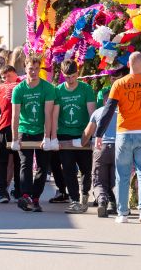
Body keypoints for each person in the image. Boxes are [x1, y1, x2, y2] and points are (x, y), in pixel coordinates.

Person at [96, 52, 141, 225]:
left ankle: (123, 214)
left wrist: (99, 134)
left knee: (123, 174)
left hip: (124, 134)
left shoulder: (119, 83)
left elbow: (109, 110)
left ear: (128, 64)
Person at [10, 54, 57, 212]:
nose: (34, 72)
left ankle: (35, 197)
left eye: (37, 69)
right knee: (26, 164)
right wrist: (15, 138)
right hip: (25, 130)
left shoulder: (47, 88)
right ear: (25, 68)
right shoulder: (19, 89)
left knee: (43, 166)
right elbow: (15, 115)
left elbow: (48, 114)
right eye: (31, 69)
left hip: (42, 130)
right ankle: (25, 195)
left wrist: (47, 137)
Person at [82, 67, 128, 217]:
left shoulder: (98, 112)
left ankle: (102, 200)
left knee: (99, 179)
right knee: (115, 179)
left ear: (104, 100)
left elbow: (88, 133)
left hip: (101, 148)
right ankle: (113, 204)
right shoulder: (123, 111)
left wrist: (82, 143)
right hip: (119, 149)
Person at [54, 60, 96, 214]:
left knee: (86, 168)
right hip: (64, 134)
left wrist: (90, 137)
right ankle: (74, 200)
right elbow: (54, 115)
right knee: (68, 168)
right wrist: (53, 137)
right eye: (66, 77)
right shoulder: (58, 91)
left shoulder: (86, 89)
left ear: (77, 74)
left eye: (72, 76)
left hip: (83, 132)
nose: (70, 80)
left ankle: (85, 194)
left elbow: (93, 116)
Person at [0, 65, 21, 203]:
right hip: (21, 129)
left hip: (6, 128)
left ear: (15, 74)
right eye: (4, 77)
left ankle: (2, 191)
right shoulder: (26, 87)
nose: (6, 79)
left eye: (8, 76)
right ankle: (20, 191)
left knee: (1, 161)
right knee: (20, 161)